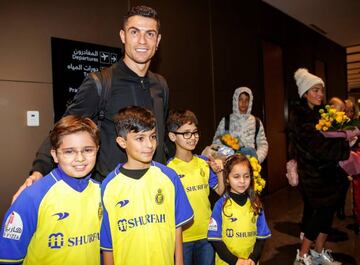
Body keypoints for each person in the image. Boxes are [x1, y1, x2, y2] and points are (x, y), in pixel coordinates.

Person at [13, 5, 169, 201]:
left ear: (158, 40)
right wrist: (39, 171)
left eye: (150, 34)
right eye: (134, 32)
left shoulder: (160, 85)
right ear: (123, 36)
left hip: (154, 191)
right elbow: (62, 129)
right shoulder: (101, 83)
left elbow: (162, 140)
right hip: (113, 196)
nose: (142, 41)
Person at [0, 115, 101, 264]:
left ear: (97, 150)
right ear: (54, 155)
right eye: (69, 151)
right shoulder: (32, 196)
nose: (80, 158)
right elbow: (8, 258)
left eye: (87, 150)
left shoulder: (101, 192)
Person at [100, 106, 194, 265]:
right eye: (140, 138)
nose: (150, 145)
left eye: (153, 137)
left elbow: (177, 228)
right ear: (122, 142)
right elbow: (108, 245)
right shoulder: (109, 185)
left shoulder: (169, 177)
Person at [289, 68, 350, 265]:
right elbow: (318, 146)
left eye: (321, 91)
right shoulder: (300, 115)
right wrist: (343, 144)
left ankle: (318, 251)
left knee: (328, 213)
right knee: (320, 213)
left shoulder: (319, 113)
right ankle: (303, 254)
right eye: (315, 90)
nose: (320, 95)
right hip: (313, 174)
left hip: (328, 172)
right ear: (305, 92)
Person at [166, 109, 225, 265]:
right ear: (172, 136)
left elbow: (220, 191)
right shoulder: (168, 169)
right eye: (186, 133)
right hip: (182, 238)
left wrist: (219, 172)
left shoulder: (204, 163)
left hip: (206, 234)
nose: (192, 138)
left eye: (195, 132)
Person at [207, 154, 271, 265]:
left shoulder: (256, 204)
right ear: (227, 178)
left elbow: (261, 237)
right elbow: (215, 239)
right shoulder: (220, 205)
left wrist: (253, 258)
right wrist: (235, 261)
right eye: (236, 177)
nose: (242, 181)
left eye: (246, 176)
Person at [212, 87, 268, 164]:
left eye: (246, 100)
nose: (243, 103)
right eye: (240, 99)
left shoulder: (256, 122)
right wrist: (227, 156)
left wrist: (256, 159)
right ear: (235, 100)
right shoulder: (226, 121)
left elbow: (263, 144)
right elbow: (215, 144)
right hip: (231, 165)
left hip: (251, 166)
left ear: (250, 102)